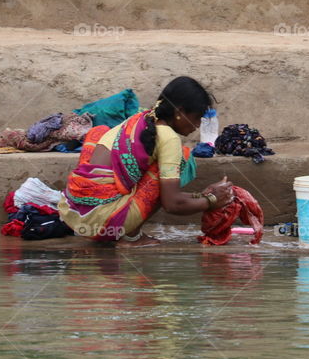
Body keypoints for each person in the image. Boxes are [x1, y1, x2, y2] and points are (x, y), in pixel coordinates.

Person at [58, 76, 234, 246]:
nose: (197, 126)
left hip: (74, 212)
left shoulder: (140, 119)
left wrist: (201, 196)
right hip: (103, 223)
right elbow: (172, 204)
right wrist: (211, 200)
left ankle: (123, 229)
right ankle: (131, 237)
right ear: (180, 112)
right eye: (197, 118)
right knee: (182, 157)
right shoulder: (169, 138)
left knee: (98, 132)